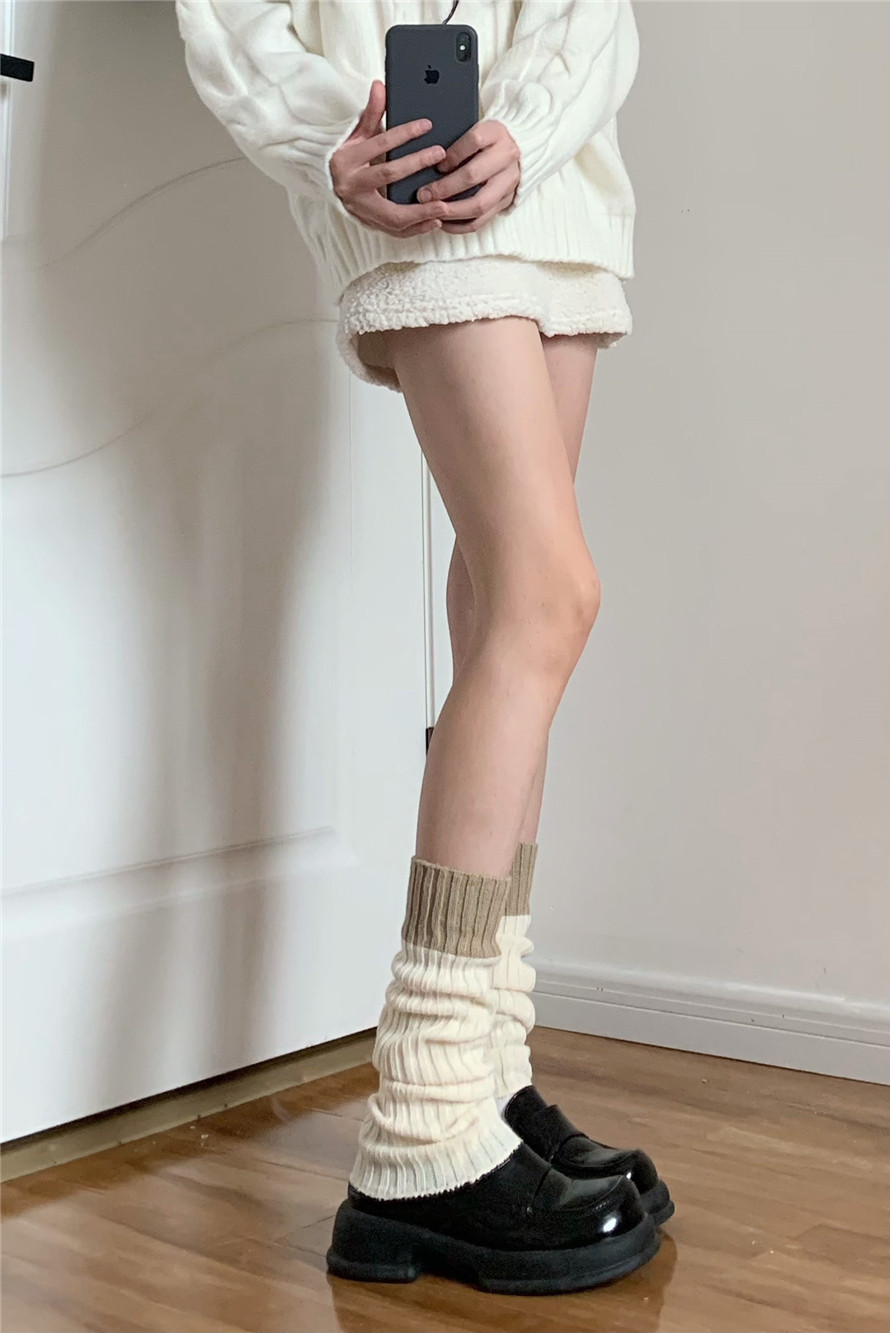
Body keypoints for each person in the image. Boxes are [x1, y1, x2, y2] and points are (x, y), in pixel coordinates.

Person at [175, 0, 672, 1295]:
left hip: (560, 184)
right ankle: (421, 1121)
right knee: (546, 598)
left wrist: (531, 127)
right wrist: (322, 139)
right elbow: (229, 18)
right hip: (418, 200)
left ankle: (485, 1076)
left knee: (499, 605)